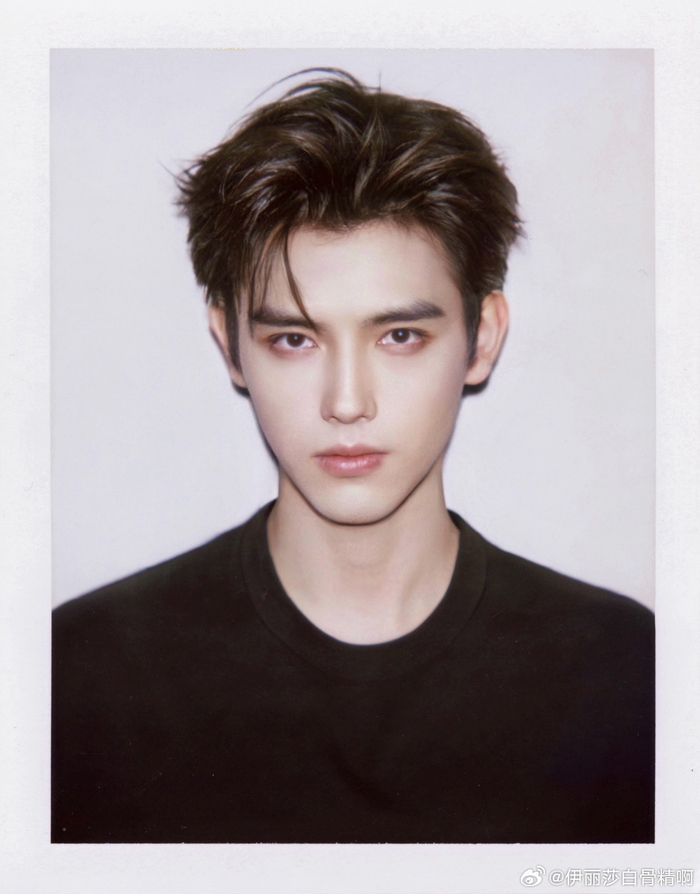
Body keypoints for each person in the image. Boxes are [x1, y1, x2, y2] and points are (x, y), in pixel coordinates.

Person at [52, 70, 654, 844]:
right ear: (229, 345)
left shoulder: (626, 674)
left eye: (399, 336)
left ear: (483, 337)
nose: (346, 402)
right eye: (293, 339)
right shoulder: (82, 676)